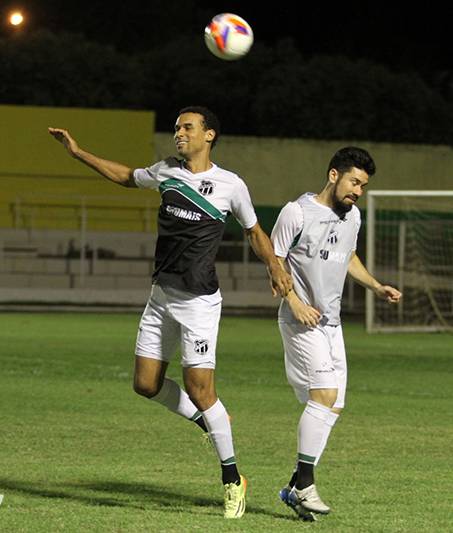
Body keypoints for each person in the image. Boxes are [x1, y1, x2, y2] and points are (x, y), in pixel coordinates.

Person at [48, 106, 292, 519]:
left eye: (187, 127)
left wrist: (275, 265)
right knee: (145, 384)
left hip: (198, 303)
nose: (179, 133)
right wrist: (78, 153)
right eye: (177, 127)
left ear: (209, 135)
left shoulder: (230, 185)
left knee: (201, 391)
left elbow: (254, 231)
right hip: (161, 296)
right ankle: (207, 422)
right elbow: (126, 176)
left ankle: (232, 479)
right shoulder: (165, 171)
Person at [270, 147, 402, 521]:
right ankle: (306, 485)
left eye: (362, 186)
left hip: (332, 324)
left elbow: (348, 256)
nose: (357, 191)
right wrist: (294, 302)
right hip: (301, 322)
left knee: (335, 404)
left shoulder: (353, 216)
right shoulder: (296, 212)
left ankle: (295, 485)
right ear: (333, 176)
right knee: (324, 396)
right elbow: (275, 260)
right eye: (353, 182)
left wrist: (376, 286)